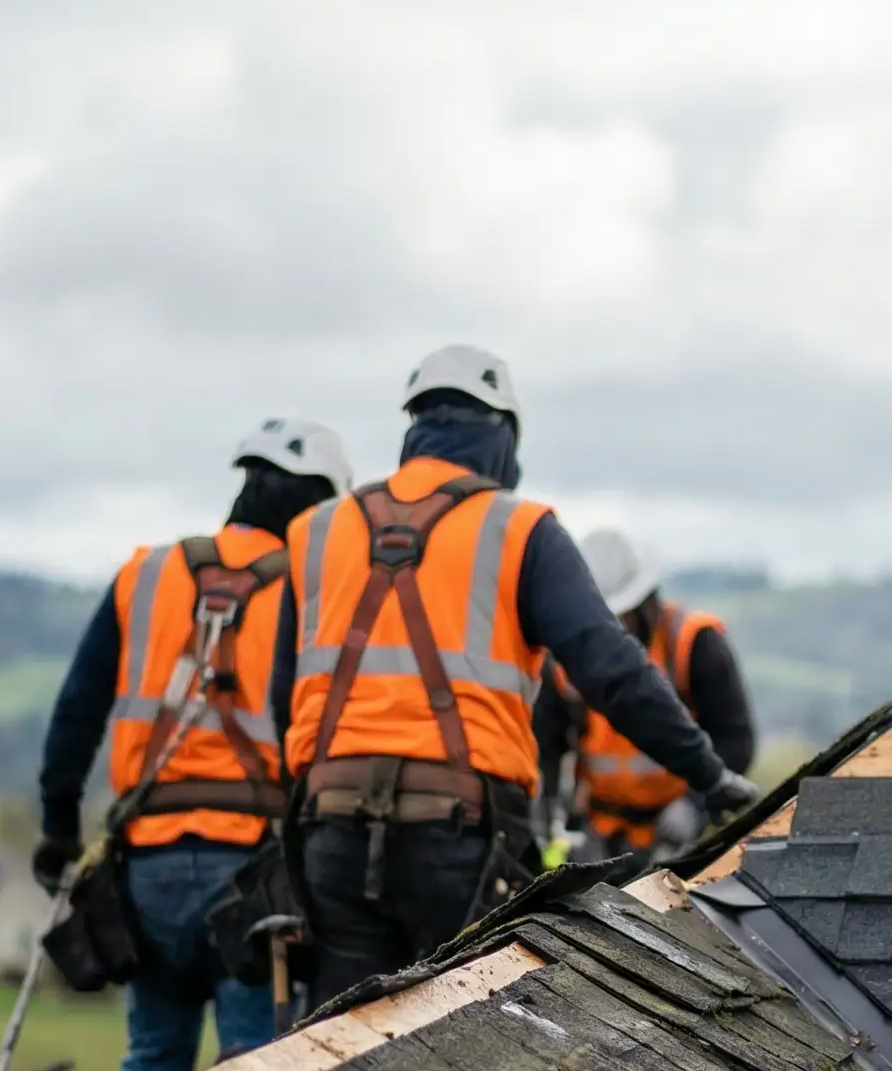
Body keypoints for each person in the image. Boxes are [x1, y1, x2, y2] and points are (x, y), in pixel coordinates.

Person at [270, 345, 760, 1003]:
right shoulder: (519, 527)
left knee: (332, 1043)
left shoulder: (318, 530)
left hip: (329, 827)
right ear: (502, 434)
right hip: (457, 833)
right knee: (462, 1028)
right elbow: (611, 670)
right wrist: (709, 775)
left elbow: (284, 698)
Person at [37, 417, 352, 1071]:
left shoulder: (146, 574)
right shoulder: (312, 590)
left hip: (146, 869)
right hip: (252, 871)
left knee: (152, 1058)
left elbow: (76, 712)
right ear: (318, 501)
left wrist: (58, 829)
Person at [536, 527, 755, 865]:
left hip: (676, 829)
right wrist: (546, 809)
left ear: (644, 602)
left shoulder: (693, 643)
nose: (610, 629)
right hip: (603, 828)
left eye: (618, 615)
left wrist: (694, 807)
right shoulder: (567, 659)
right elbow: (546, 744)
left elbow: (736, 740)